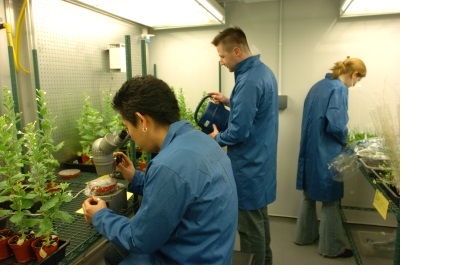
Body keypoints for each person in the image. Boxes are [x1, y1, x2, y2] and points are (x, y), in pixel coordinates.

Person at [82, 75, 238, 265]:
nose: (129, 135)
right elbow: (183, 191)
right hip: (212, 252)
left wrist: (100, 216)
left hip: (188, 259)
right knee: (114, 254)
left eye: (127, 127)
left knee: (119, 251)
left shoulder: (168, 165)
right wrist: (136, 178)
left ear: (141, 121)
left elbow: (138, 239)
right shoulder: (202, 140)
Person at [207, 26, 279, 265]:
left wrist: (216, 139)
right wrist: (229, 101)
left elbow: (238, 131)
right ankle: (266, 263)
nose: (221, 61)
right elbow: (254, 109)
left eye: (222, 56)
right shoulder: (262, 72)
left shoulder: (248, 80)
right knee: (260, 219)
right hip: (261, 161)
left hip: (249, 166)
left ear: (236, 51)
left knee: (249, 229)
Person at [294, 57, 367, 258]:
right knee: (331, 200)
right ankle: (331, 247)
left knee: (308, 195)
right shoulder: (339, 89)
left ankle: (304, 236)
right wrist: (347, 140)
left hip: (309, 151)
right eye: (357, 80)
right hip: (326, 152)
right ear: (354, 74)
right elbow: (335, 126)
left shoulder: (317, 86)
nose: (355, 84)